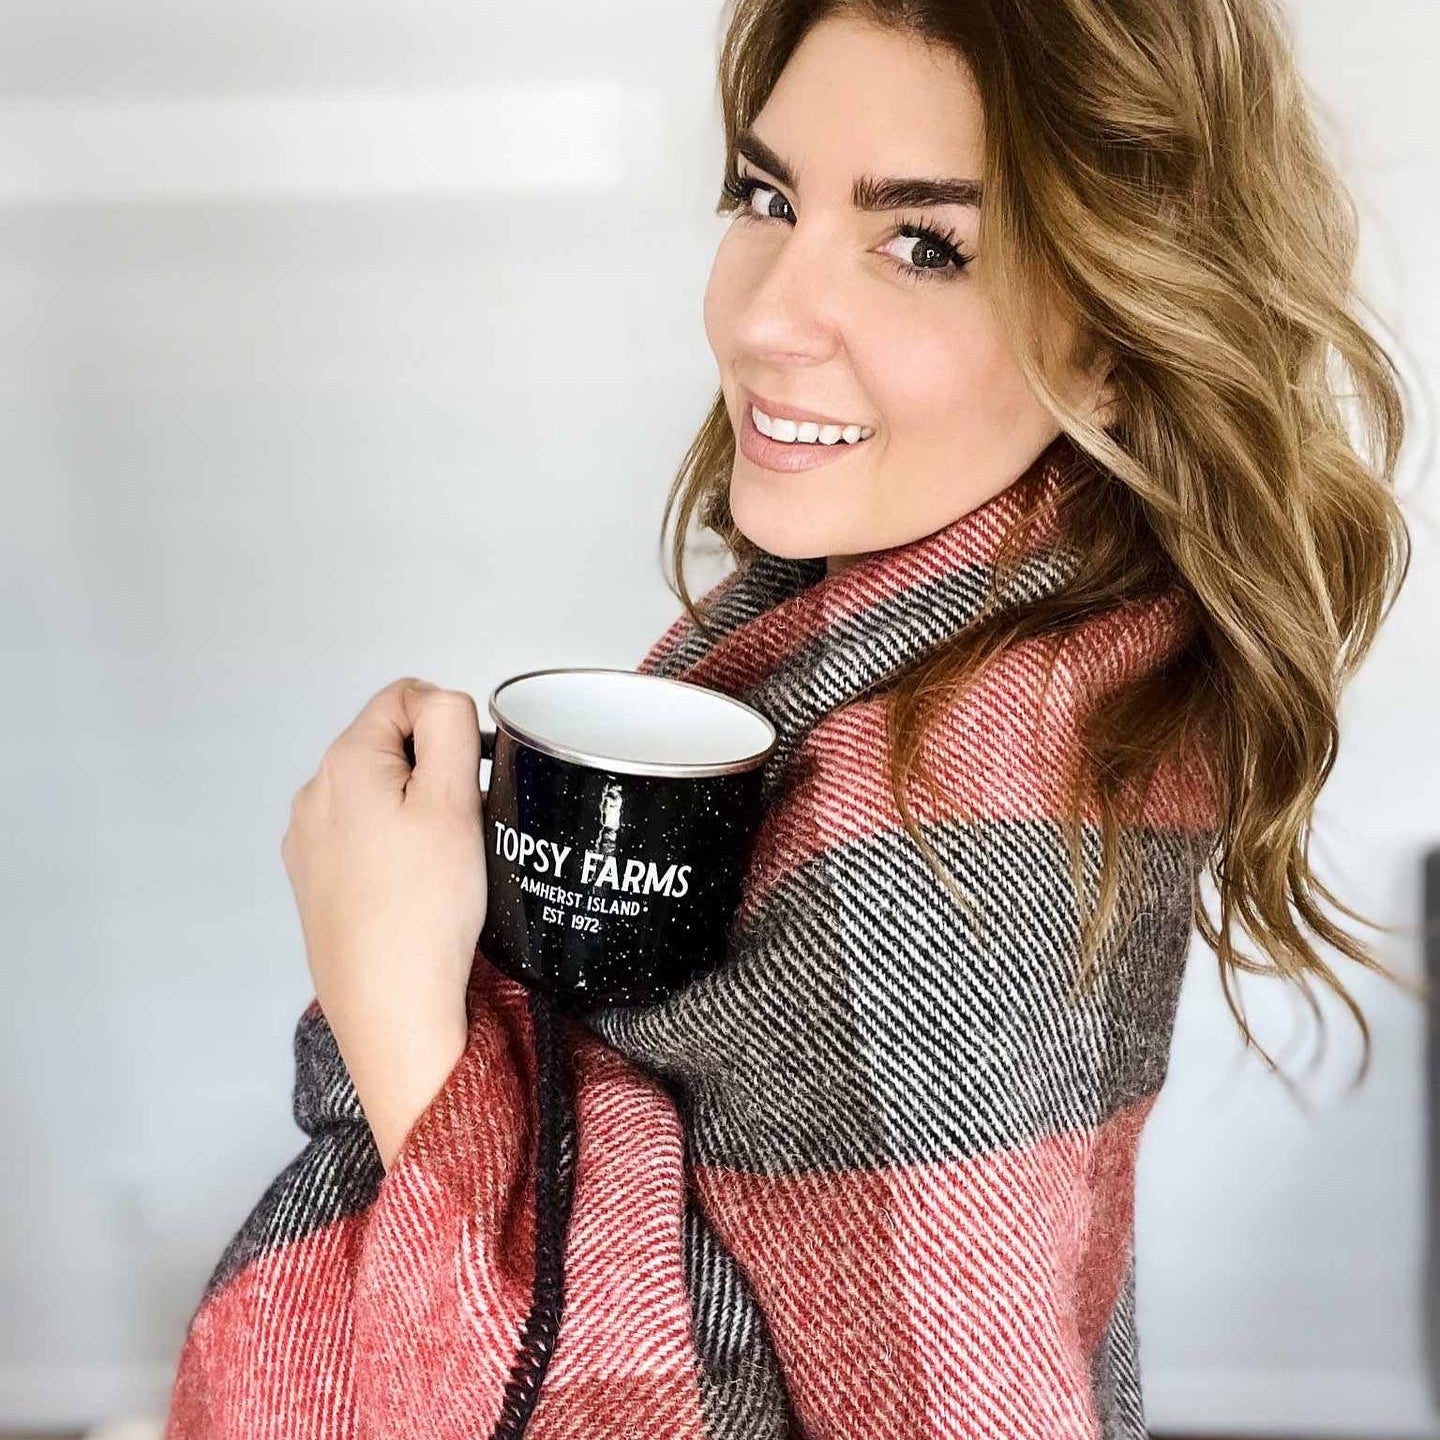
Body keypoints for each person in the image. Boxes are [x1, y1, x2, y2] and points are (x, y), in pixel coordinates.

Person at [164, 1, 1414, 1437]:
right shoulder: (1002, 646)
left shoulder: (925, 833)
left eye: (923, 243)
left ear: (1120, 340)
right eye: (768, 198)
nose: (761, 316)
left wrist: (401, 1014)